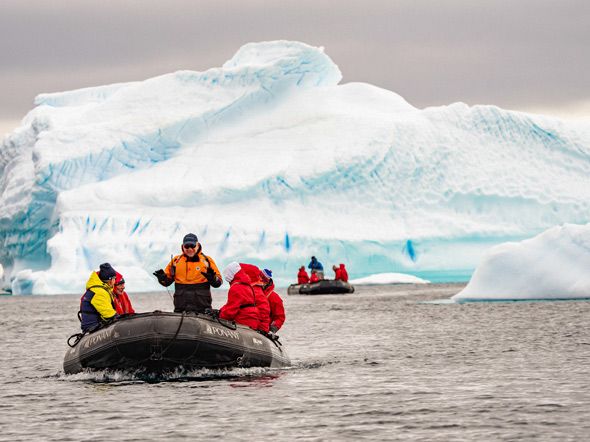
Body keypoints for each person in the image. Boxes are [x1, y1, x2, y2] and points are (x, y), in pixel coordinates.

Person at [153, 233, 222, 313]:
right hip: (181, 309)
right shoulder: (176, 261)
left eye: (192, 246)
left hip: (202, 309)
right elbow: (166, 282)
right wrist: (162, 278)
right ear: (182, 246)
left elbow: (218, 282)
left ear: (197, 245)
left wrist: (212, 278)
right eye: (187, 246)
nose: (189, 249)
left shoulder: (207, 261)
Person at [218, 262, 259, 329]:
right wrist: (220, 311)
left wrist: (219, 316)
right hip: (253, 322)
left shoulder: (236, 288)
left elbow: (230, 311)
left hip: (243, 322)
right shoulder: (248, 286)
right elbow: (235, 304)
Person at [79, 263, 118, 332]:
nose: (115, 281)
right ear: (110, 280)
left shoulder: (99, 290)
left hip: (96, 326)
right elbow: (108, 314)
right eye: (114, 278)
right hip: (93, 327)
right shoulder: (99, 292)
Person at [239, 263, 271, 333]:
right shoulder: (248, 290)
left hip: (248, 328)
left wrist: (263, 331)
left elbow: (264, 313)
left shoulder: (255, 291)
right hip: (243, 326)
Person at [260, 269, 285, 333]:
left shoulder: (274, 298)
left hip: (263, 330)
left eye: (264, 280)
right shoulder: (251, 292)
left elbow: (280, 317)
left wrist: (272, 329)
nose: (261, 282)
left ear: (267, 281)